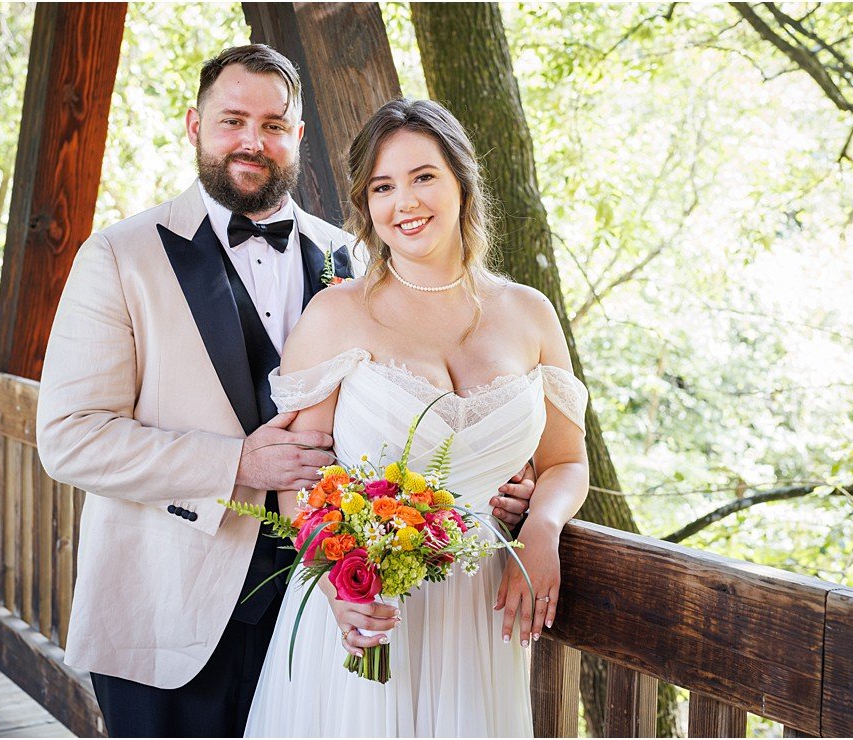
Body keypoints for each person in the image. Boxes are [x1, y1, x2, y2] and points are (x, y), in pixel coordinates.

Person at [36, 46, 536, 738]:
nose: (253, 140)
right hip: (172, 614)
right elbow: (69, 439)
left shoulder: (354, 260)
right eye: (233, 120)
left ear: (298, 136)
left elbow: (427, 399)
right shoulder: (120, 257)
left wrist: (502, 478)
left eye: (274, 124)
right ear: (194, 125)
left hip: (330, 614)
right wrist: (236, 465)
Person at [242, 98, 591, 737]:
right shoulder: (336, 314)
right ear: (366, 205)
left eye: (423, 176)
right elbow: (298, 480)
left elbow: (567, 460)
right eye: (383, 187)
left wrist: (543, 527)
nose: (405, 202)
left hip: (480, 613)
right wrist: (335, 590)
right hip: (364, 613)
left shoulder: (530, 314)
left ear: (461, 180)